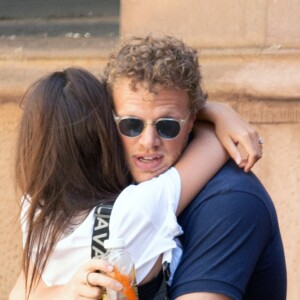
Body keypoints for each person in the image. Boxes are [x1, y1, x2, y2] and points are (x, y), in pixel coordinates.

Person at [10, 67, 262, 300]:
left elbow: (21, 293)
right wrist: (217, 112)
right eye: (130, 124)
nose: (147, 139)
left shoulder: (35, 207)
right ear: (105, 132)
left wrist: (66, 292)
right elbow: (213, 146)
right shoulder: (135, 209)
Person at [103, 35, 287, 300]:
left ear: (191, 122)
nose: (148, 142)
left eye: (168, 126)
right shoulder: (114, 173)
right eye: (131, 124)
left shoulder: (230, 202)